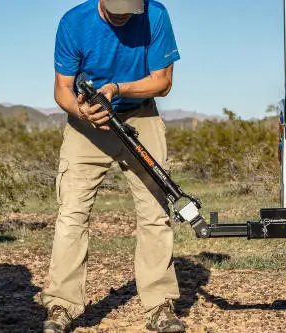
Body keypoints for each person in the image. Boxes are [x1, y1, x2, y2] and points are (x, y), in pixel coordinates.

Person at [40, 0, 184, 332]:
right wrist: (82, 112)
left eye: (128, 8)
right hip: (87, 122)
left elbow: (162, 81)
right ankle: (61, 305)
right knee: (72, 212)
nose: (121, 14)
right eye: (115, 7)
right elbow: (62, 88)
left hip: (140, 114)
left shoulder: (156, 15)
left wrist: (118, 89)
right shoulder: (74, 22)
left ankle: (159, 305)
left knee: (155, 211)